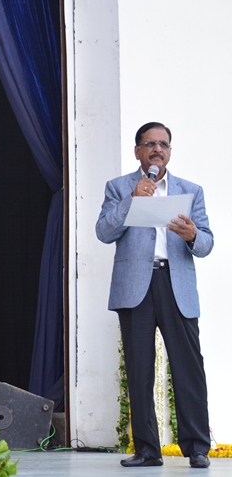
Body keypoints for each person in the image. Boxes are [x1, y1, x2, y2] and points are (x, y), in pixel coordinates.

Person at [96, 122, 213, 469]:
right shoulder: (119, 188)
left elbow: (207, 243)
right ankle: (148, 450)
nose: (157, 149)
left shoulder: (190, 191)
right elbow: (104, 231)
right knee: (140, 369)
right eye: (150, 144)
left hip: (176, 285)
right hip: (136, 287)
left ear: (170, 152)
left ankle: (197, 448)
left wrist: (193, 235)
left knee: (189, 369)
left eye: (163, 144)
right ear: (138, 151)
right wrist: (132, 201)